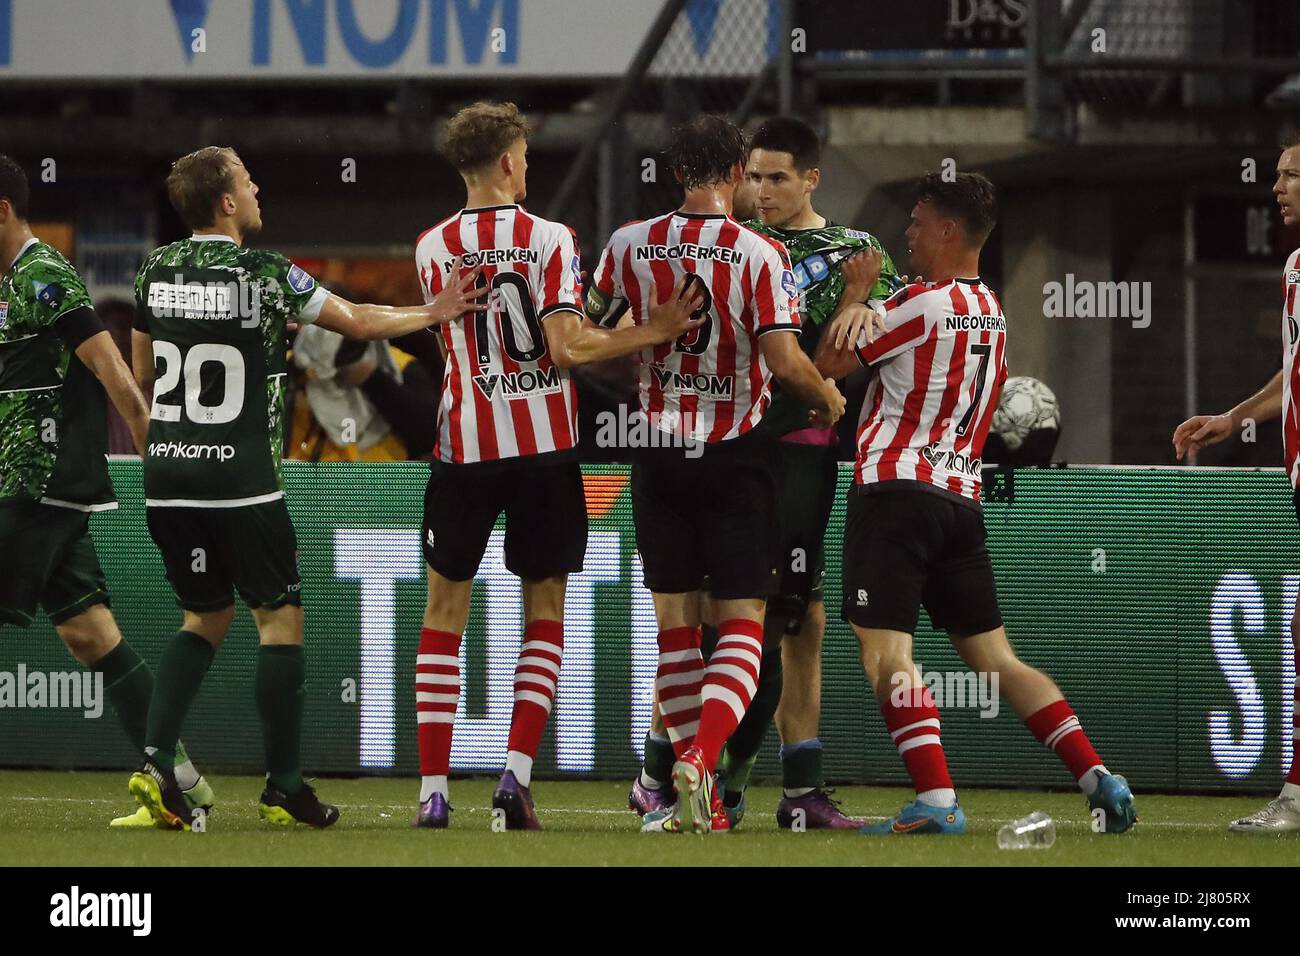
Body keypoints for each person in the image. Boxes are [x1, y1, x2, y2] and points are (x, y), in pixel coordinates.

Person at [127, 145, 488, 829]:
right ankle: (284, 786)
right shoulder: (264, 274)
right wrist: (434, 311)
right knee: (278, 618)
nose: (259, 188)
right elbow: (357, 321)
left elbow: (143, 373)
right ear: (227, 203)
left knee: (203, 616)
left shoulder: (153, 270)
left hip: (167, 473)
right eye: (249, 180)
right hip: (241, 478)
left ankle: (154, 762)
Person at [815, 171, 1137, 835]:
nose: (906, 232)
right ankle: (1099, 777)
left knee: (886, 657)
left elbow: (826, 364)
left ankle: (936, 803)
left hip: (895, 493)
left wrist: (852, 293)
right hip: (959, 502)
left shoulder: (919, 306)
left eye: (917, 221)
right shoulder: (989, 307)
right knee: (997, 660)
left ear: (949, 231)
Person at [412, 102, 702, 830]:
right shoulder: (549, 238)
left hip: (464, 447)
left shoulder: (430, 247)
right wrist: (652, 329)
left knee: (444, 614)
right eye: (526, 157)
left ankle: (432, 793)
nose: (528, 169)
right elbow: (567, 348)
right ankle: (513, 782)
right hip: (541, 451)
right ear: (509, 162)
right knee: (543, 614)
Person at [628, 117, 901, 829]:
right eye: (752, 175)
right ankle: (670, 771)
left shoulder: (856, 254)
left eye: (777, 176)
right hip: (736, 449)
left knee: (797, 615)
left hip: (801, 455)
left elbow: (847, 364)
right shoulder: (742, 246)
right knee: (711, 620)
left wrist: (859, 301)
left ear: (812, 178)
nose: (761, 188)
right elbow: (805, 365)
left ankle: (794, 787)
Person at [587, 114, 845, 833]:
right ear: (736, 174)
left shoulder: (629, 244)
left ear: (674, 173)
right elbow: (787, 362)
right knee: (742, 626)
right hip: (737, 457)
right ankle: (701, 758)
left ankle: (668, 783)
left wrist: (647, 333)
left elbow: (576, 338)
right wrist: (828, 396)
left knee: (676, 631)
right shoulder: (760, 254)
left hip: (660, 453)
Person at [0, 154, 214, 828]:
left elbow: (114, 370)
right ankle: (181, 782)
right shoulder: (10, 283)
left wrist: (162, 458)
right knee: (90, 636)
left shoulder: (43, 275)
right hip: (35, 485)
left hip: (35, 483)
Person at [1171, 138, 1300, 833]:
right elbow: (1295, 371)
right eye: (1276, 173)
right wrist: (1234, 418)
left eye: (1291, 175)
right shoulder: (1296, 268)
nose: (1276, 185)